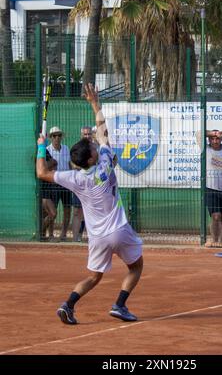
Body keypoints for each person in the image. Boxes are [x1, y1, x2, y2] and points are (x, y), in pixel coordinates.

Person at [36, 84, 143, 325]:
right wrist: (95, 104)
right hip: (119, 230)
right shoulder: (105, 162)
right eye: (92, 147)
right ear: (92, 157)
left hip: (96, 237)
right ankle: (120, 305)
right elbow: (103, 131)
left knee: (94, 277)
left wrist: (41, 146)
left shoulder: (75, 178)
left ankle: (68, 304)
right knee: (136, 267)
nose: (94, 144)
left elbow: (42, 172)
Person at [47, 126, 72, 241]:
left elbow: (70, 165)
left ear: (61, 137)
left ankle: (63, 235)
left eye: (59, 135)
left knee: (67, 209)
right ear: (50, 138)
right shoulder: (47, 150)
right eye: (54, 136)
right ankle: (51, 234)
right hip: (54, 183)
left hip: (66, 183)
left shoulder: (66, 149)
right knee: (53, 211)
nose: (57, 138)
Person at [72, 126, 93, 242]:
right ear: (81, 135)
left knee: (91, 211)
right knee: (77, 212)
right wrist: (87, 166)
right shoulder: (76, 148)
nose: (87, 136)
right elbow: (73, 164)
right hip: (79, 184)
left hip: (93, 185)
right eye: (85, 134)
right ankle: (75, 240)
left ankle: (93, 238)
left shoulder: (96, 148)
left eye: (89, 134)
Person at [40, 151, 57, 241]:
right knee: (53, 213)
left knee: (47, 214)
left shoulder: (44, 151)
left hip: (50, 186)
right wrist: (49, 165)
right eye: (54, 135)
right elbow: (41, 169)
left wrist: (48, 165)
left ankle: (42, 235)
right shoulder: (36, 152)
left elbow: (55, 162)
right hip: (42, 189)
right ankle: (40, 233)